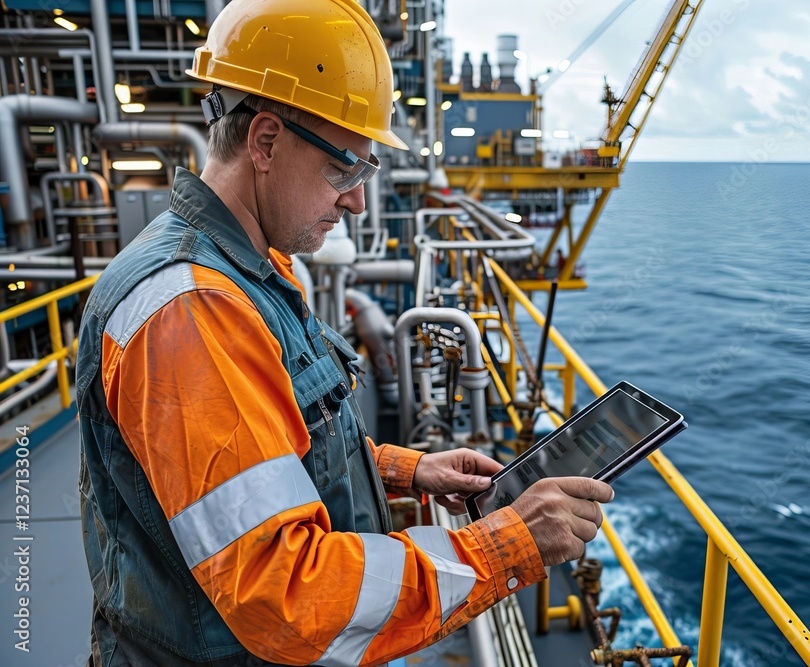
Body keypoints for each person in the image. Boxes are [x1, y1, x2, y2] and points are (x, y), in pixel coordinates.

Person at [76, 0, 613, 665]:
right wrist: (507, 543)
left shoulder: (255, 271)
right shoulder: (192, 311)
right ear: (265, 142)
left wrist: (406, 471)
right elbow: (288, 597)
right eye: (345, 168)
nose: (357, 199)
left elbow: (270, 458)